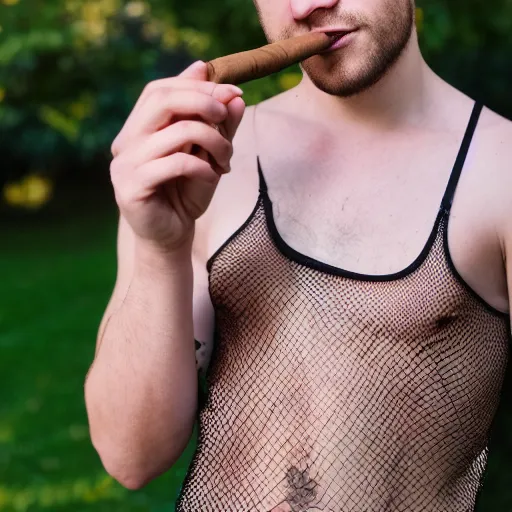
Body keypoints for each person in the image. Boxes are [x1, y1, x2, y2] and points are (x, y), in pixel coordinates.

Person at [84, 0, 512, 510]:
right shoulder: (200, 160)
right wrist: (160, 249)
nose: (307, 5)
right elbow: (130, 456)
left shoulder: (499, 169)